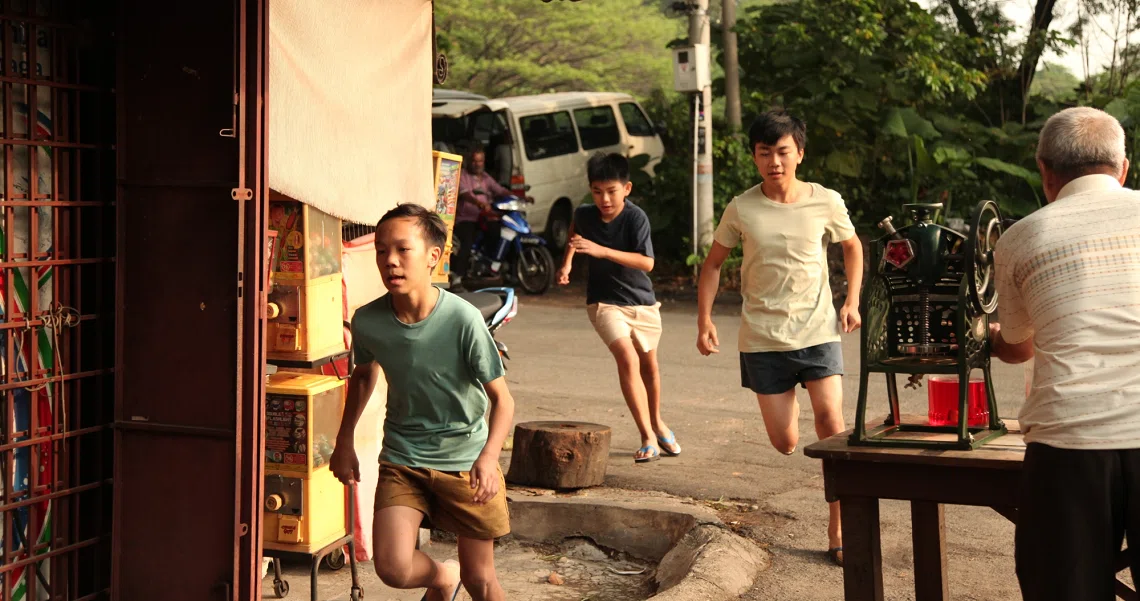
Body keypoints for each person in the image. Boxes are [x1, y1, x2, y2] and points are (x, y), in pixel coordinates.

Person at [695, 109, 863, 566]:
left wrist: (850, 301)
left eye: (783, 152)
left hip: (818, 330)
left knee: (831, 423)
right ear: (754, 157)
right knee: (786, 442)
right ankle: (792, 432)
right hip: (764, 338)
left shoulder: (825, 200)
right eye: (765, 153)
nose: (774, 161)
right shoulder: (742, 207)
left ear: (799, 154)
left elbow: (852, 246)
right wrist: (704, 319)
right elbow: (712, 265)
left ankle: (841, 527)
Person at [988, 106, 1140, 601]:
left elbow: (1018, 345)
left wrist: (988, 337)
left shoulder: (1023, 237)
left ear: (1045, 171)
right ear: (1123, 167)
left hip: (1070, 445)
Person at [330, 203, 515, 601]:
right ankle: (444, 578)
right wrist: (343, 442)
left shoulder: (463, 319)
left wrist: (488, 457)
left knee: (481, 581)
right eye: (381, 251)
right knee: (393, 568)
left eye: (402, 249)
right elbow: (363, 376)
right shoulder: (368, 320)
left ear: (433, 256)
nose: (390, 261)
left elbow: (503, 400)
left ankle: (459, 577)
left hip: (465, 462)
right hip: (403, 457)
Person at [557, 152, 680, 463]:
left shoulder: (636, 218)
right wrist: (567, 265)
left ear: (627, 188)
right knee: (627, 358)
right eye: (597, 191)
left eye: (611, 191)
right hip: (604, 303)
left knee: (649, 366)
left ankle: (658, 421)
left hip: (643, 302)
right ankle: (647, 435)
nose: (604, 199)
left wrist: (601, 251)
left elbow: (647, 262)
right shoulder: (585, 214)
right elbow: (575, 235)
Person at [452, 145, 512, 290]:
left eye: (480, 161)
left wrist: (520, 196)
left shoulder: (485, 177)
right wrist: (478, 202)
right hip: (466, 219)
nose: (477, 164)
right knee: (467, 241)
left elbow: (499, 190)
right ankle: (457, 278)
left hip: (484, 218)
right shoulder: (462, 176)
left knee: (499, 232)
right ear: (468, 161)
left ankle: (491, 268)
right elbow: (465, 193)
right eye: (474, 161)